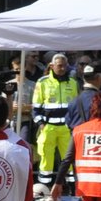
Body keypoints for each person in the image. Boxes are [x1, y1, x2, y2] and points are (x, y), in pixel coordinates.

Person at [31, 54, 77, 192]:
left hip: (66, 128)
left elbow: (75, 107)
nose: (62, 68)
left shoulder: (73, 83)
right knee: (46, 160)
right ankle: (43, 189)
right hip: (48, 127)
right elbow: (36, 107)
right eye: (59, 66)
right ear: (52, 66)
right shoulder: (42, 82)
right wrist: (41, 124)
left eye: (64, 65)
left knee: (68, 160)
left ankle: (71, 189)